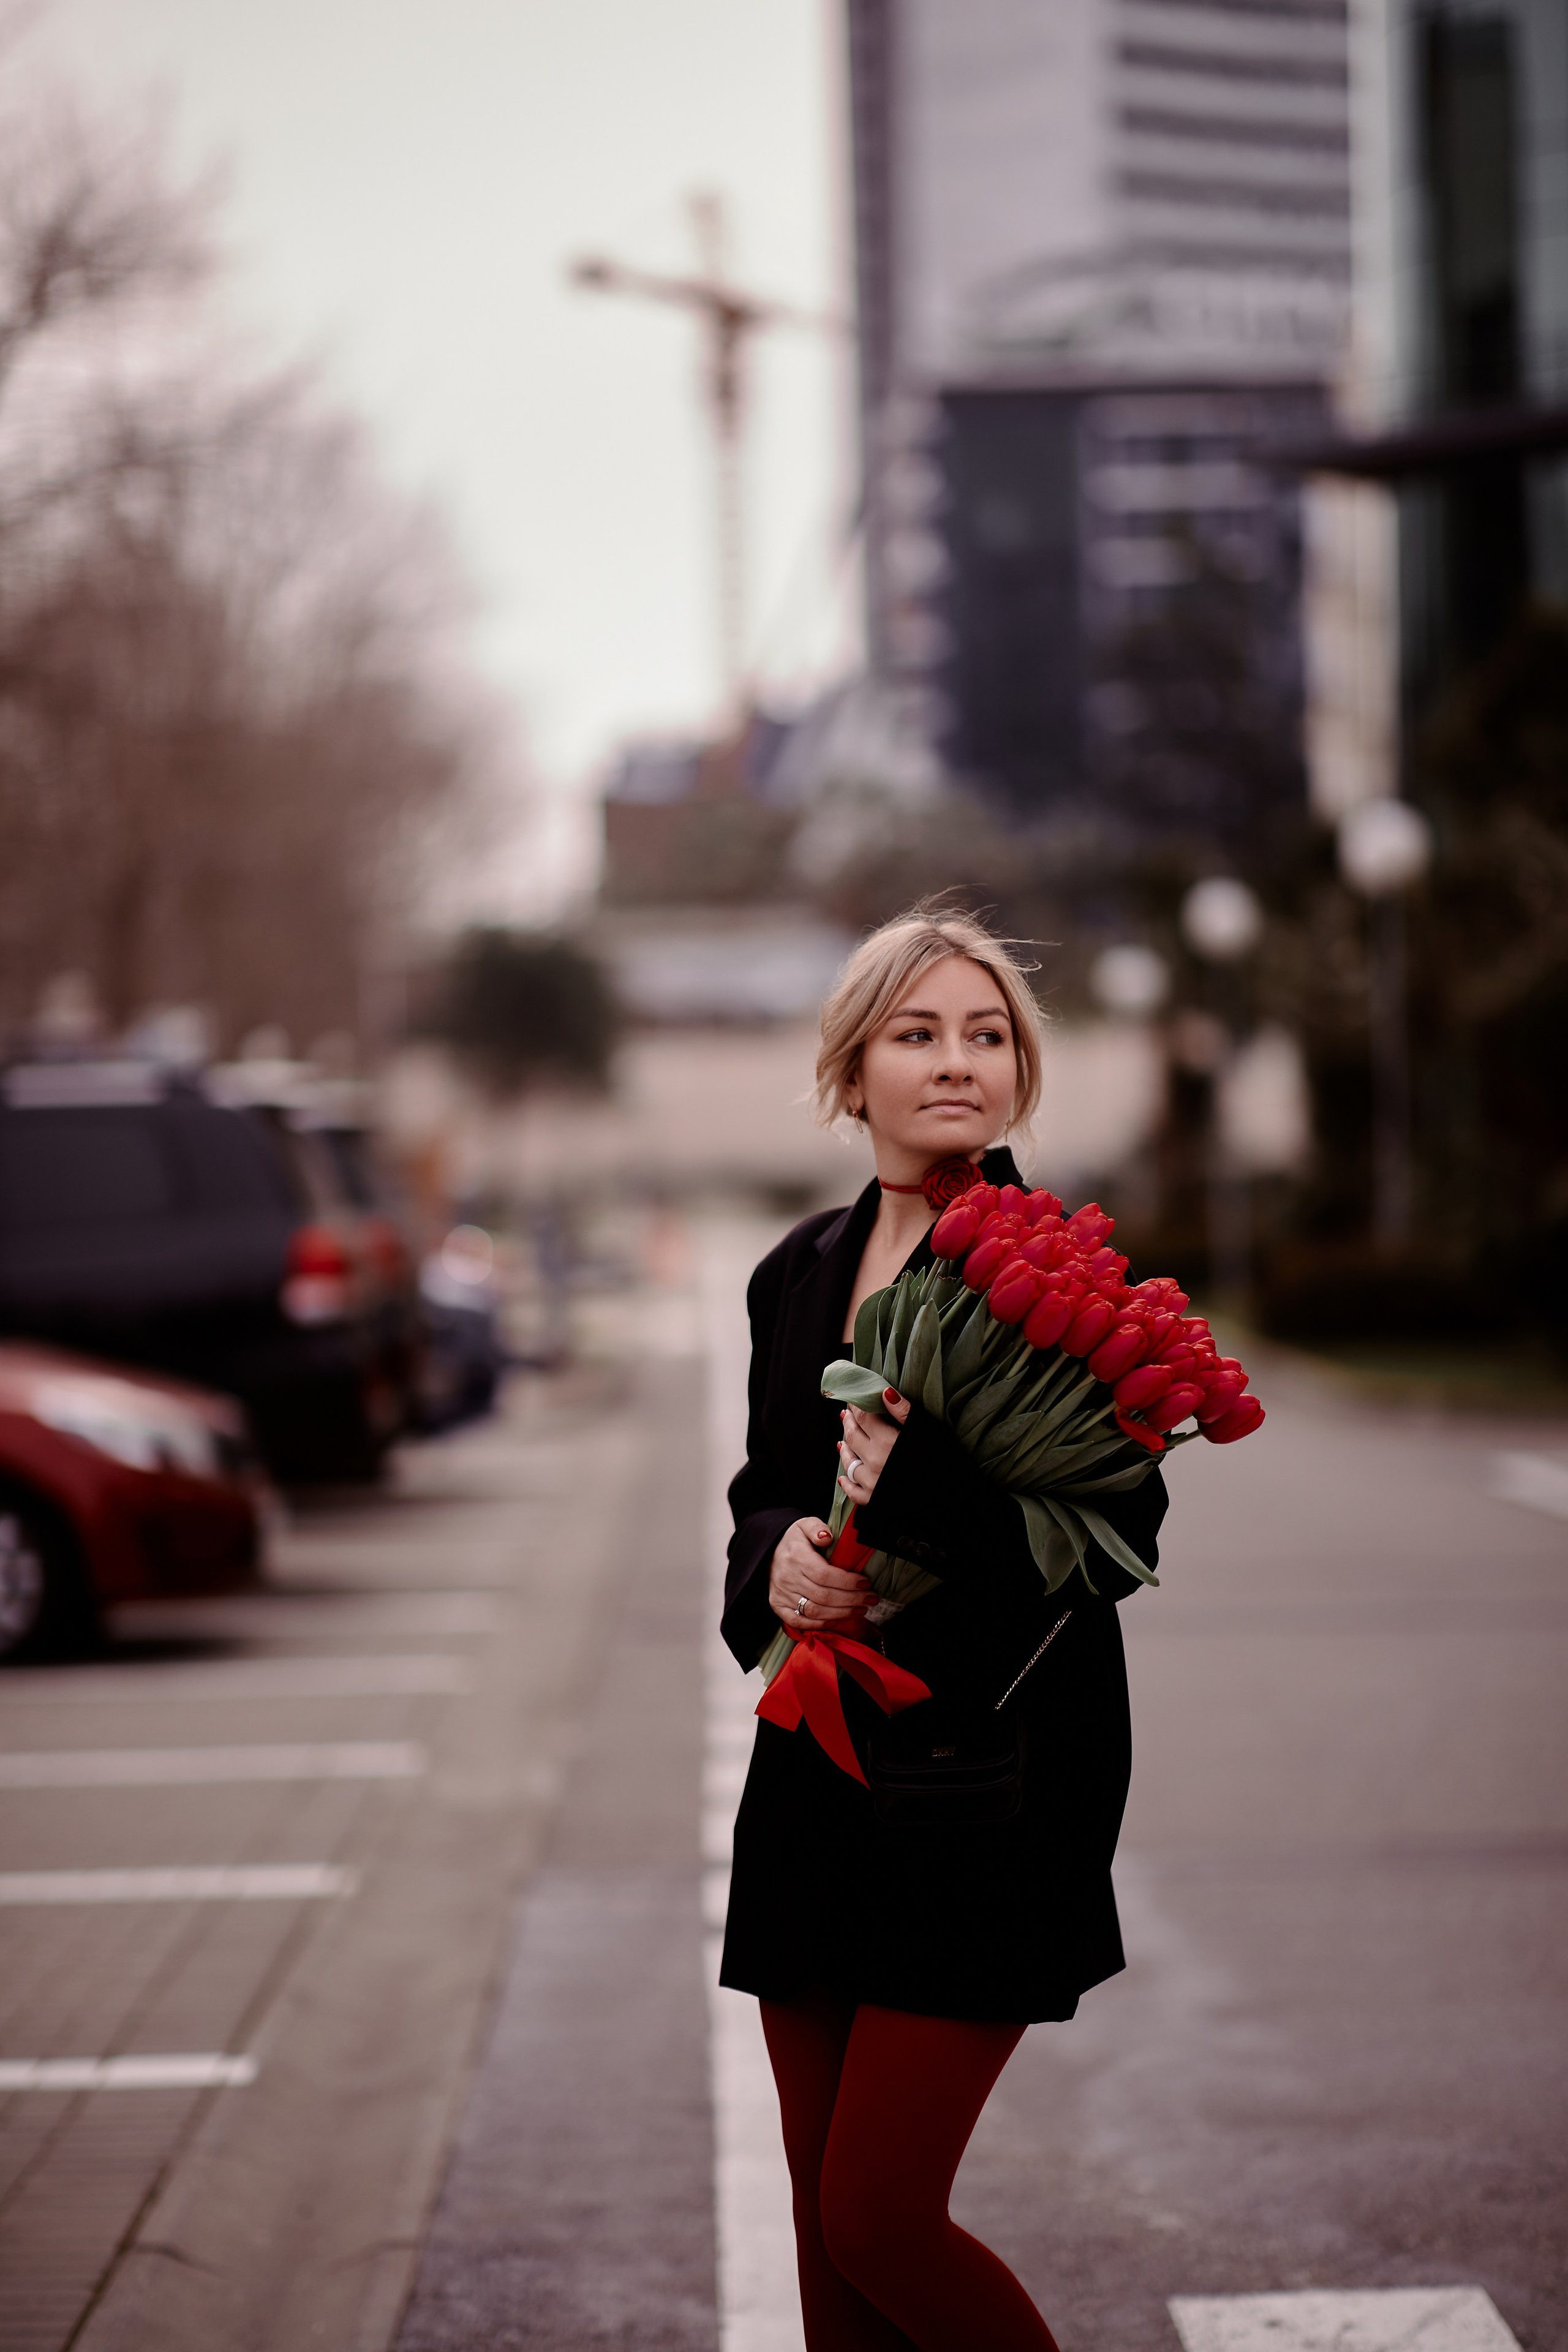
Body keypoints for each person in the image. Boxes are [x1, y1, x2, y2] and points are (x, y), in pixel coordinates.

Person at [720, 905, 1168, 2352]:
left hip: (985, 1784)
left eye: (986, 1036)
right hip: (815, 1775)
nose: (956, 1062)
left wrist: (905, 1494)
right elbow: (758, 1491)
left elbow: (1115, 1543)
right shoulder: (793, 1271)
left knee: (880, 2217)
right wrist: (778, 1561)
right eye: (916, 1034)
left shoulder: (1064, 1287)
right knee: (818, 2227)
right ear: (853, 1074)